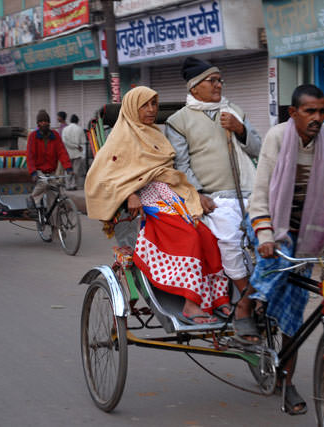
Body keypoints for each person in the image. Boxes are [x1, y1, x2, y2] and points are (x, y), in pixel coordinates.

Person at [248, 84, 324, 415]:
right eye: (309, 111)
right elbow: (260, 193)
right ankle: (249, 305)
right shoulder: (277, 137)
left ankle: (287, 382)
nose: (316, 118)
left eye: (321, 111)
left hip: (308, 233)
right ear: (293, 113)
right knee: (269, 276)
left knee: (293, 317)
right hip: (271, 222)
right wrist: (266, 235)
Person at [85, 86, 230, 324]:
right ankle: (191, 304)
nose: (152, 110)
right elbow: (103, 175)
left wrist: (195, 194)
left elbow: (168, 169)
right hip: (146, 202)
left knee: (207, 236)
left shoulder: (155, 135)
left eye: (154, 104)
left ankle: (217, 298)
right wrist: (129, 193)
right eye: (145, 105)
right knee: (189, 238)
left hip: (171, 194)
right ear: (133, 108)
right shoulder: (119, 138)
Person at [165, 57, 262, 341]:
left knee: (270, 241)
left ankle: (260, 296)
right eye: (212, 80)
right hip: (214, 197)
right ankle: (245, 302)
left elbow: (258, 148)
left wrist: (240, 129)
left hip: (250, 191)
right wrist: (198, 194)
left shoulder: (234, 111)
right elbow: (180, 164)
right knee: (231, 239)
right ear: (195, 87)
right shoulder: (178, 121)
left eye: (220, 80)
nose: (218, 85)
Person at [26, 110, 72, 212]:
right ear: (38, 124)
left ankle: (55, 226)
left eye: (46, 121)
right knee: (44, 183)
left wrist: (68, 168)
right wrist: (33, 172)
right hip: (38, 170)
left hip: (51, 170)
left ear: (49, 123)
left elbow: (62, 152)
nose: (44, 123)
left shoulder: (55, 135)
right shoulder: (33, 136)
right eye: (41, 122)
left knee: (54, 196)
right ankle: (32, 198)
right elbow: (30, 156)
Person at [61, 114, 86, 190]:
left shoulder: (65, 129)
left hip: (67, 153)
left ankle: (68, 185)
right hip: (77, 153)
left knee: (68, 169)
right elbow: (83, 141)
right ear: (77, 121)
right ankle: (73, 185)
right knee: (76, 170)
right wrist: (77, 146)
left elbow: (64, 141)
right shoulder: (80, 129)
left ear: (70, 120)